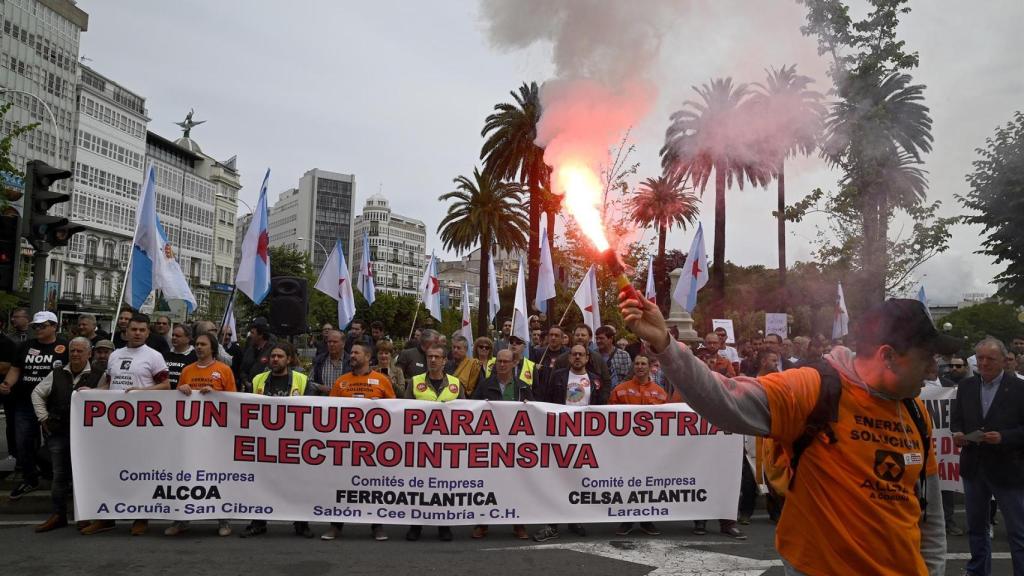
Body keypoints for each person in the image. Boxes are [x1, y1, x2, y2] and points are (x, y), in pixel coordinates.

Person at [619, 292, 949, 576]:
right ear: (888, 356)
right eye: (926, 358)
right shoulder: (813, 388)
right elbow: (726, 399)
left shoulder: (916, 411)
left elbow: (929, 514)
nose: (934, 369)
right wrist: (665, 343)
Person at [951, 337, 1024, 575]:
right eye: (980, 358)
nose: (983, 363)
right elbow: (957, 420)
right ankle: (978, 570)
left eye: (990, 359)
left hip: (1008, 468)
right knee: (976, 527)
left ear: (1004, 360)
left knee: (1017, 530)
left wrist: (1004, 437)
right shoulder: (966, 386)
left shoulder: (1019, 388)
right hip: (974, 466)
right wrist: (959, 433)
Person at [95, 313, 169, 536]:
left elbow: (166, 385)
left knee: (139, 471)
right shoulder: (115, 355)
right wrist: (91, 393)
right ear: (126, 331)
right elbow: (109, 385)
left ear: (148, 332)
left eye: (142, 330)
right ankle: (106, 518)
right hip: (115, 424)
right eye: (133, 329)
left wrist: (142, 393)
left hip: (142, 424)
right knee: (110, 469)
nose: (137, 333)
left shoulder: (154, 356)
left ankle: (141, 517)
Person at [241, 342, 317, 539]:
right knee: (260, 483)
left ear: (289, 359)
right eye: (273, 356)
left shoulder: (302, 380)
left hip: (293, 443)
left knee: (297, 483)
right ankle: (258, 522)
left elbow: (312, 409)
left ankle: (301, 523)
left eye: (280, 356)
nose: (275, 359)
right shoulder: (258, 379)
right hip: (264, 442)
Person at [165, 332, 237, 537]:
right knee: (185, 474)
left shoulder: (224, 370)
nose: (198, 347)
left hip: (215, 435)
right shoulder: (187, 370)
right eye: (197, 344)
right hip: (190, 435)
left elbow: (234, 400)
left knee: (217, 476)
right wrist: (182, 388)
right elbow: (177, 399)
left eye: (203, 344)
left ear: (212, 348)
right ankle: (181, 519)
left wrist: (216, 394)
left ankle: (224, 520)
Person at [532, 344, 606, 542]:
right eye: (574, 354)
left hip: (584, 438)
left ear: (588, 357)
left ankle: (574, 519)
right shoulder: (557, 376)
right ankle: (552, 524)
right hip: (559, 436)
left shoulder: (595, 380)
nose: (577, 357)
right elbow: (545, 402)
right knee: (555, 479)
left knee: (578, 478)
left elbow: (601, 408)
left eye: (581, 354)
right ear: (569, 357)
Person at [322, 342, 395, 542]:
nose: (352, 355)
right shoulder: (341, 382)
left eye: (356, 352)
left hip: (374, 447)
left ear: (368, 356)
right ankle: (335, 526)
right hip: (346, 446)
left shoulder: (382, 380)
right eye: (351, 352)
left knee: (373, 486)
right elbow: (330, 410)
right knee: (341, 485)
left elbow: (395, 410)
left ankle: (377, 526)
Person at [30, 337, 102, 532]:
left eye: (80, 351)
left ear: (89, 353)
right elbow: (36, 393)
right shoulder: (57, 373)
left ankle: (84, 515)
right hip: (59, 432)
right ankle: (58, 515)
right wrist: (43, 418)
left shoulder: (99, 375)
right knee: (59, 476)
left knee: (86, 476)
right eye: (73, 351)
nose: (76, 354)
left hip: (89, 437)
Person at [0, 311, 68, 499]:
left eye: (42, 326)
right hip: (25, 402)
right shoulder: (25, 346)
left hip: (54, 405)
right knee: (22, 442)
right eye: (35, 326)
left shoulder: (65, 346)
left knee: (55, 443)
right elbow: (15, 369)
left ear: (54, 326)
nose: (38, 329)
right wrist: (7, 384)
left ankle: (57, 476)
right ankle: (30, 478)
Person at [470, 348, 532, 540]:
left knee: (517, 483)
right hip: (490, 443)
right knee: (487, 483)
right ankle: (483, 523)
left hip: (515, 444)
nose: (502, 365)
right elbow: (472, 409)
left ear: (514, 363)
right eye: (499, 362)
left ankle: (518, 523)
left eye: (506, 361)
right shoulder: (485, 385)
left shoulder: (522, 387)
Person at [404, 345, 463, 542]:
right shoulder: (414, 382)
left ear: (445, 360)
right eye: (430, 357)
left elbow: (465, 413)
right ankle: (415, 526)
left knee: (445, 487)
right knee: (418, 486)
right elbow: (404, 412)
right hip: (420, 445)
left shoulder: (456, 384)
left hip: (447, 447)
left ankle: (444, 525)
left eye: (437, 357)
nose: (433, 360)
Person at [608, 354, 666, 536]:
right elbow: (609, 417)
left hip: (651, 449)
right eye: (637, 363)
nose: (640, 367)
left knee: (649, 483)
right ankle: (626, 520)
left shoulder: (660, 392)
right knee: (626, 483)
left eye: (643, 364)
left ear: (650, 367)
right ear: (633, 366)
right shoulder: (620, 390)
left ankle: (647, 521)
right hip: (626, 448)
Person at [235, 319, 274, 393]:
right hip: (249, 391)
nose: (250, 335)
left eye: (252, 333)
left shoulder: (272, 350)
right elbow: (242, 369)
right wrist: (246, 382)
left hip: (265, 392)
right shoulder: (249, 350)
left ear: (261, 335)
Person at [311, 330, 348, 395]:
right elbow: (309, 382)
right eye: (329, 342)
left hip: (345, 401)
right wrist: (319, 387)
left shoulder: (351, 361)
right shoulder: (319, 360)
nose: (331, 344)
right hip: (324, 402)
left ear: (343, 344)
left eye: (335, 342)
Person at [163, 324, 197, 390]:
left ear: (188, 339)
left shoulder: (195, 356)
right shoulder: (165, 355)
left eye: (178, 336)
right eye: (173, 335)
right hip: (164, 395)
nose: (174, 338)